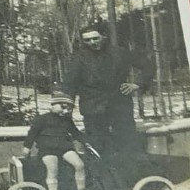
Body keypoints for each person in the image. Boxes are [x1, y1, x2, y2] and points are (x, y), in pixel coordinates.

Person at [63, 23, 154, 164]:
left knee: (127, 142)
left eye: (95, 38)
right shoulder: (78, 58)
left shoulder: (120, 53)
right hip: (93, 108)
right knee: (97, 146)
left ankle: (130, 179)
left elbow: (148, 66)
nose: (92, 43)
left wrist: (137, 84)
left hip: (120, 106)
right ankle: (105, 181)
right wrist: (66, 106)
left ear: (103, 36)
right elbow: (70, 83)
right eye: (87, 40)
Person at [22, 92, 93, 190]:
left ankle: (81, 189)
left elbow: (75, 133)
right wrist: (27, 147)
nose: (65, 111)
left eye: (68, 109)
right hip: (47, 149)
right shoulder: (41, 119)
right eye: (63, 107)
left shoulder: (67, 121)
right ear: (53, 105)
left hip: (64, 148)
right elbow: (32, 134)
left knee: (79, 164)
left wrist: (85, 142)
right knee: (52, 167)